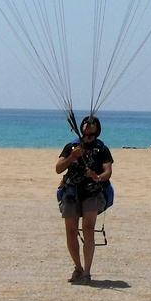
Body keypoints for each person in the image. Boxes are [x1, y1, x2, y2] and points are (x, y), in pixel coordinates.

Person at [55, 115, 113, 285]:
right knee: (71, 231)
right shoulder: (71, 147)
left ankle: (87, 272)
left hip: (92, 192)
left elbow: (108, 171)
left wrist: (97, 177)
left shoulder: (102, 149)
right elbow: (58, 168)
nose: (88, 126)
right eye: (86, 123)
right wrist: (72, 157)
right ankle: (78, 267)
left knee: (88, 228)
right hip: (71, 191)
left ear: (97, 128)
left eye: (92, 124)